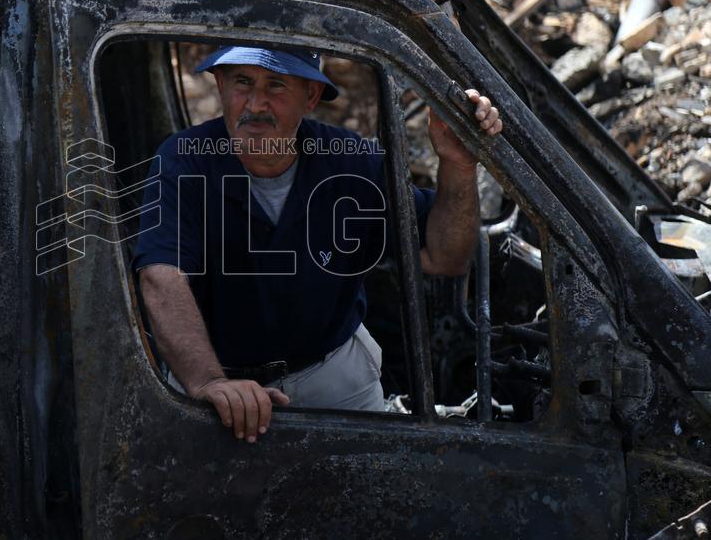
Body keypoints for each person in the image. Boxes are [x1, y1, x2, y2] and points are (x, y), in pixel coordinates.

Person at [132, 46, 503, 443]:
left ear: (310, 96)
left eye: (276, 85)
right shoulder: (184, 160)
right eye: (242, 82)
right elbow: (161, 276)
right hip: (219, 384)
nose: (255, 103)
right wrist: (208, 382)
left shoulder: (351, 163)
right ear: (221, 85)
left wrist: (459, 164)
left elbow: (443, 256)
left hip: (333, 376)